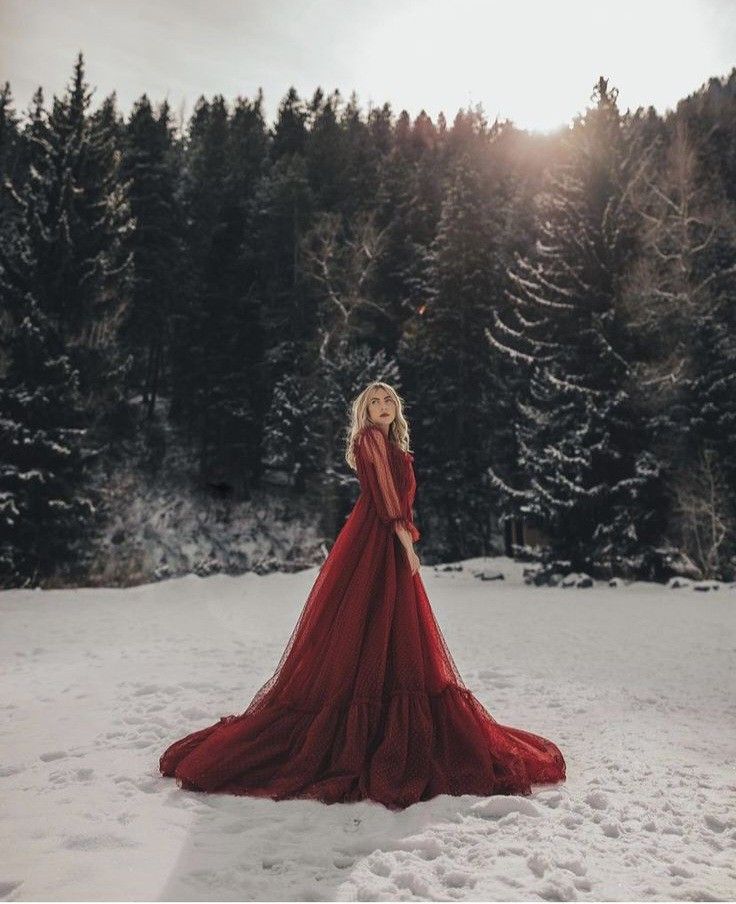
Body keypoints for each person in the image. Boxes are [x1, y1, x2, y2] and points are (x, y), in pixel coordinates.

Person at [159, 381, 566, 809]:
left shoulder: (388, 443)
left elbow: (398, 497)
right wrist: (405, 540)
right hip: (378, 541)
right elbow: (388, 499)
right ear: (365, 412)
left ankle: (382, 716)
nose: (382, 406)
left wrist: (404, 534)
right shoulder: (369, 439)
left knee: (390, 630)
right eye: (374, 402)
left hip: (384, 540)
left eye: (388, 399)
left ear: (397, 407)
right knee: (371, 624)